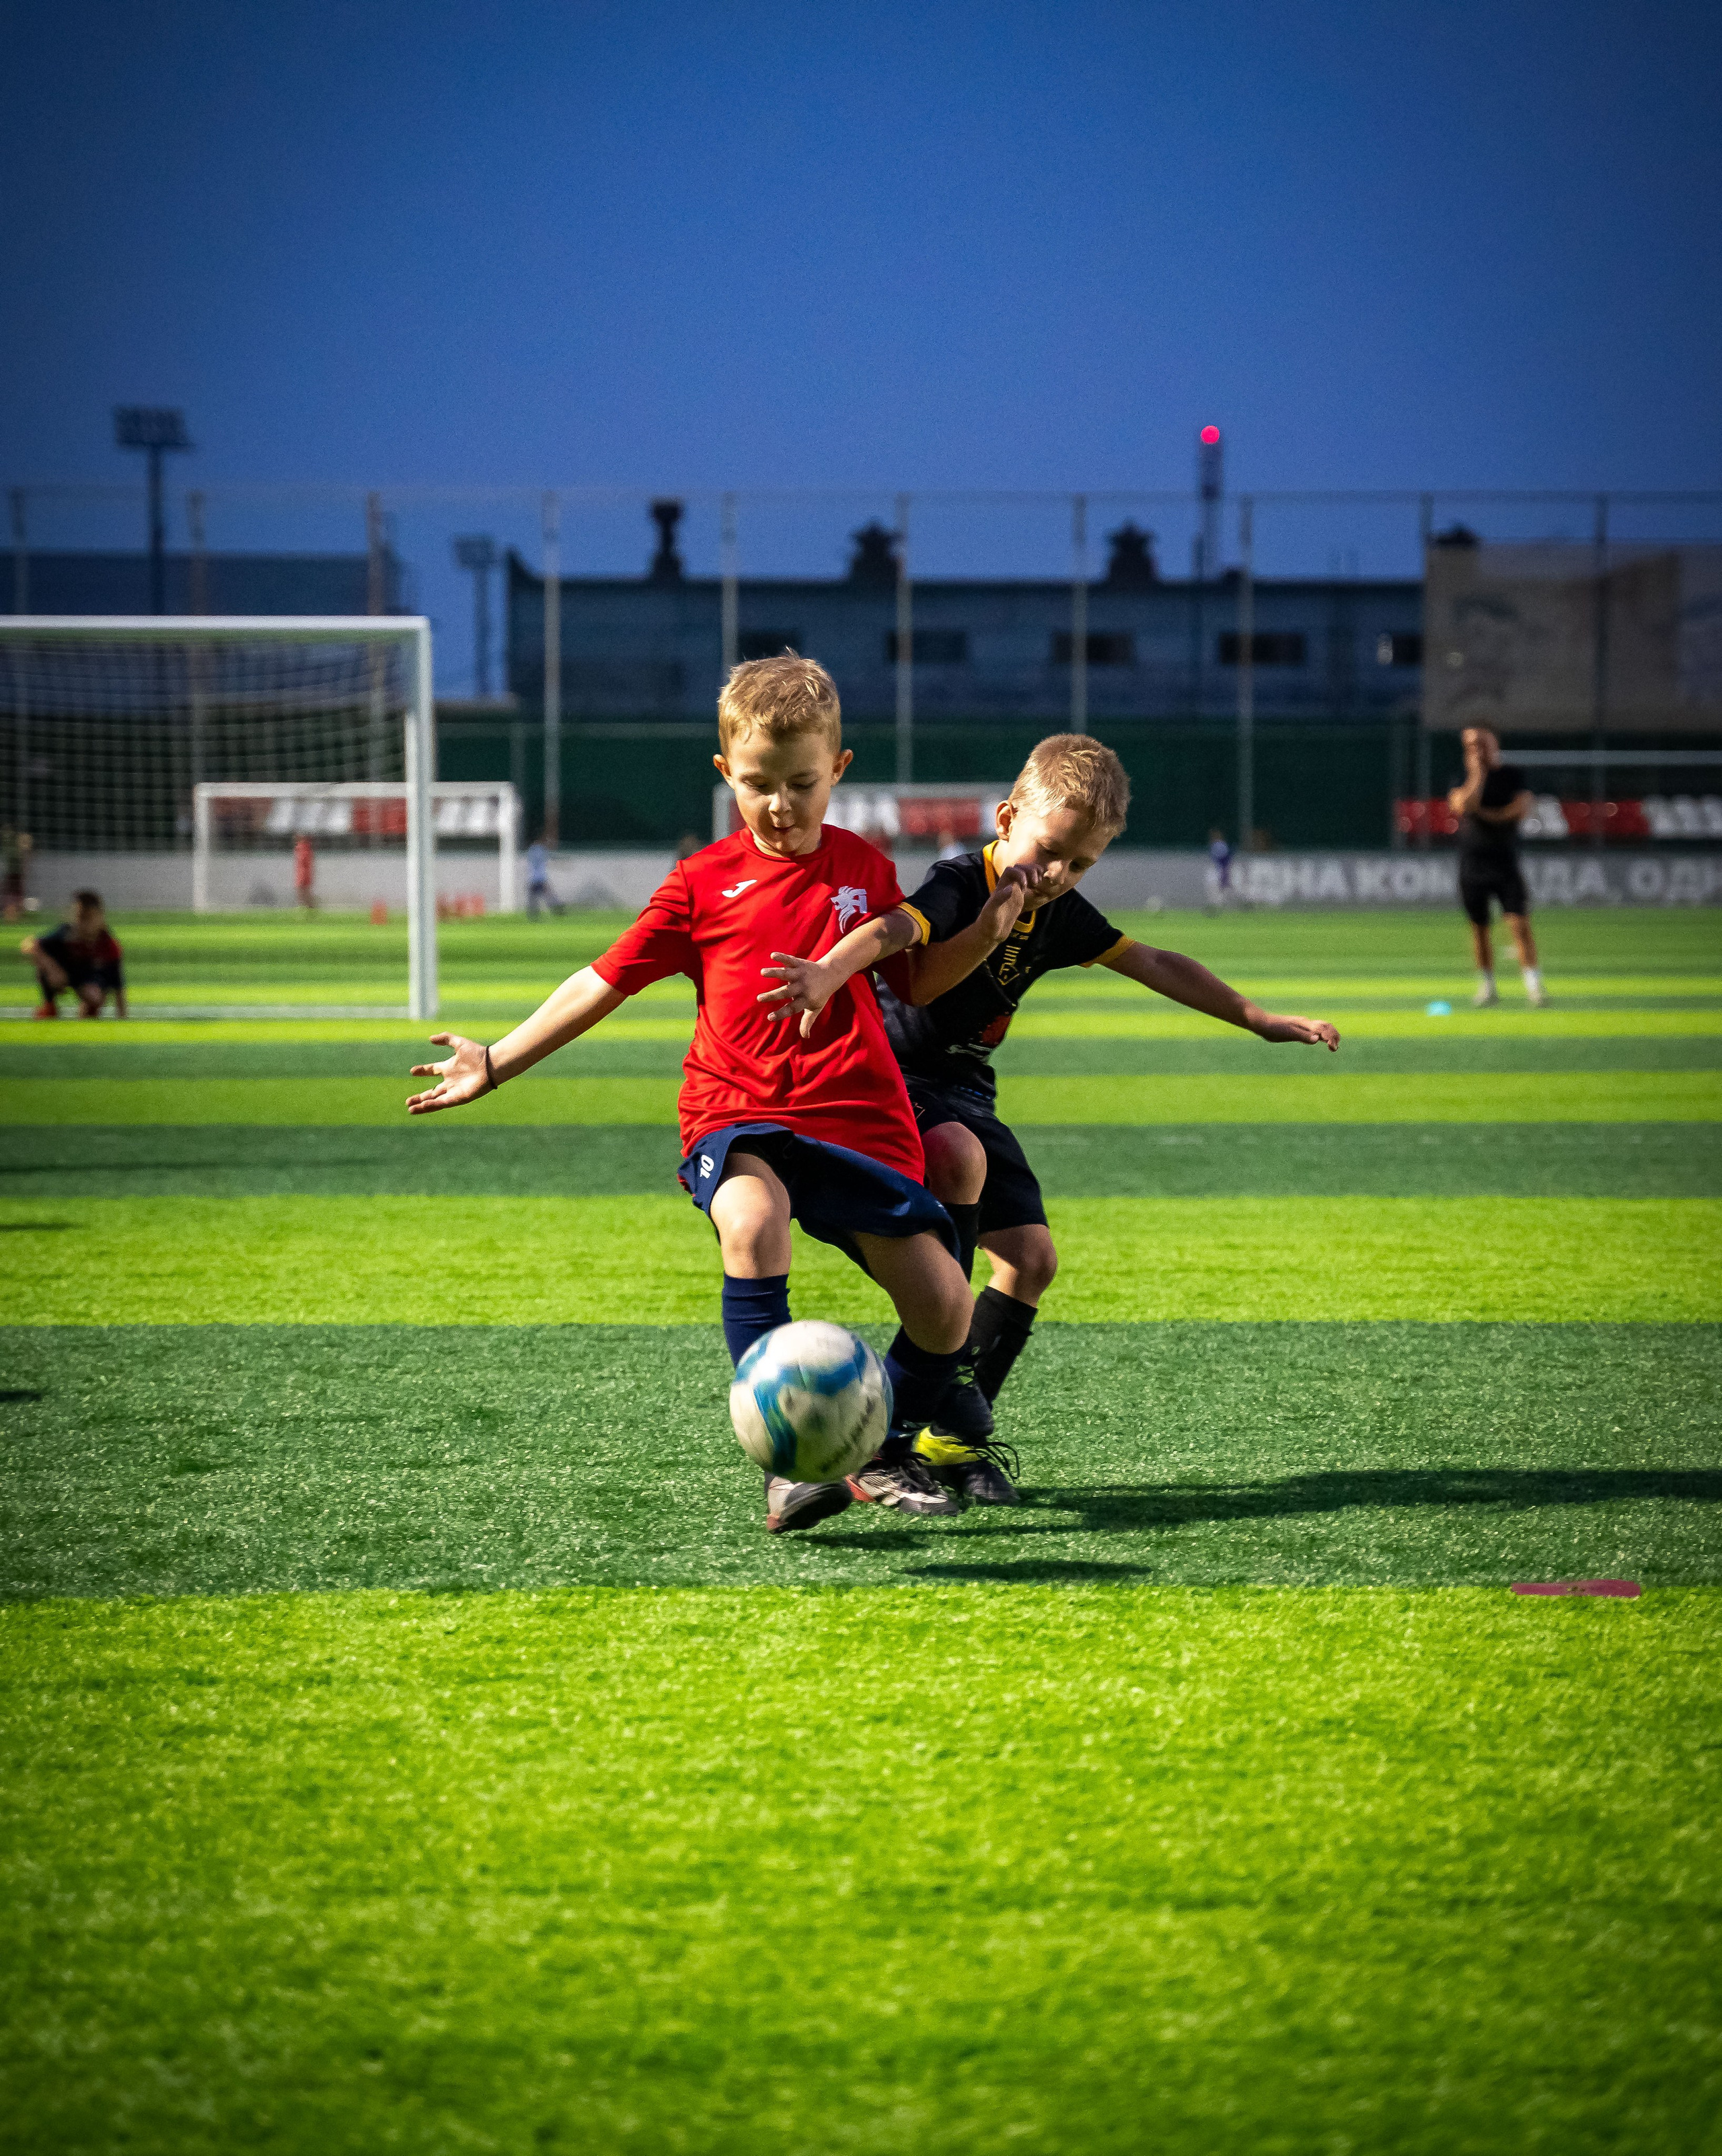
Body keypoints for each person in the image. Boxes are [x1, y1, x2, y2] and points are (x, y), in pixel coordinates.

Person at [406, 653, 983, 1534]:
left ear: (839, 769)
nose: (781, 806)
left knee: (946, 1308)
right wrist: (497, 1059)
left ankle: (876, 1440)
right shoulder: (699, 883)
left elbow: (919, 977)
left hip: (859, 1116)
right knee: (751, 1223)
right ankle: (789, 1463)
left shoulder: (863, 866)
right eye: (758, 785)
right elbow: (601, 981)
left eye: (801, 783)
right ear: (726, 775)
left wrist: (995, 923)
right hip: (738, 1109)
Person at [767, 735, 1340, 1506]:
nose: (1060, 875)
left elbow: (1157, 962)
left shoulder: (1059, 908)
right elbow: (897, 933)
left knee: (1032, 1259)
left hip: (965, 1084)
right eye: (1050, 852)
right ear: (1006, 820)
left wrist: (1258, 1017)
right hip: (893, 1080)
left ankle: (946, 1444)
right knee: (957, 1158)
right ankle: (935, 1393)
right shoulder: (962, 882)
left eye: (1081, 864)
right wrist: (832, 968)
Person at [1446, 726, 1544, 1007]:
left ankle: (1534, 986)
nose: (1476, 749)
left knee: (1519, 924)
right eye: (1470, 745)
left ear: (1493, 744)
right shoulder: (1462, 776)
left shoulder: (1512, 775)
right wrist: (1477, 775)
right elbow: (1462, 804)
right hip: (1472, 864)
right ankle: (1488, 987)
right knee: (1479, 928)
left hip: (1505, 863)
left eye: (1481, 743)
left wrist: (1484, 813)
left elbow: (1517, 810)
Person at [22, 889, 126, 1019]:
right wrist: (52, 968)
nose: (82, 923)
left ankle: (89, 1010)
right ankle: (49, 1005)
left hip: (89, 979)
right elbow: (30, 945)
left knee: (94, 995)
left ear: (100, 917)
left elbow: (118, 985)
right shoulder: (66, 934)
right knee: (44, 963)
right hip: (65, 974)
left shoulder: (109, 945)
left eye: (88, 918)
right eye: (79, 917)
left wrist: (123, 1017)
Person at [525, 835, 561, 917]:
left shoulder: (531, 850)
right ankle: (558, 911)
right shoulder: (541, 850)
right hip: (541, 878)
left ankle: (533, 915)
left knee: (533, 899)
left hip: (532, 878)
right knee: (548, 896)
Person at [293, 833, 315, 912]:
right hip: (302, 872)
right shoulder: (302, 847)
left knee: (303, 890)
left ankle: (307, 907)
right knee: (303, 891)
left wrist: (302, 876)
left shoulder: (304, 848)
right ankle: (306, 906)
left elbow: (303, 862)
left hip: (303, 873)